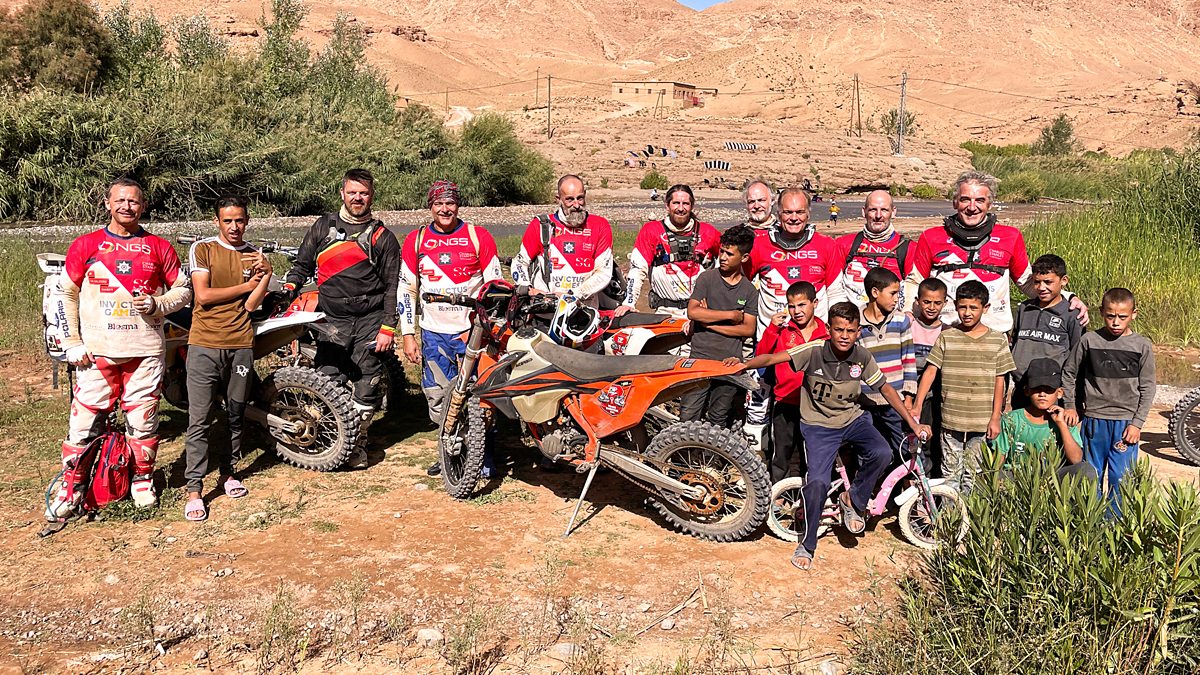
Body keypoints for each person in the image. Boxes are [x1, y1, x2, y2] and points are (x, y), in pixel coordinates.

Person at [731, 301, 931, 571]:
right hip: (818, 426)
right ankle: (807, 543)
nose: (844, 336)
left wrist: (912, 423)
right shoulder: (814, 351)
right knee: (817, 482)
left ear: (858, 331)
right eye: (839, 330)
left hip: (853, 419)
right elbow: (772, 358)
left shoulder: (862, 357)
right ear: (829, 329)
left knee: (882, 452)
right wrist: (744, 364)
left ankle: (853, 499)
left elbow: (886, 389)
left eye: (850, 330)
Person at [47, 178, 192, 518]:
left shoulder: (159, 246)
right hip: (98, 351)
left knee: (143, 420)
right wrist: (71, 342)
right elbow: (65, 293)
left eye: (134, 201)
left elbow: (183, 291)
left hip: (145, 350)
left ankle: (142, 478)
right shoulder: (86, 245)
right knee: (84, 422)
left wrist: (157, 304)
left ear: (144, 206)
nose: (127, 206)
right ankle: (72, 487)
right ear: (107, 203)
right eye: (121, 200)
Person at [283, 168, 401, 469]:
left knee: (367, 382)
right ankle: (330, 438)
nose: (357, 198)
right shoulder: (323, 226)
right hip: (332, 318)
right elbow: (302, 265)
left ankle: (357, 443)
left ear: (371, 196)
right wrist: (289, 287)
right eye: (352, 192)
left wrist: (389, 327)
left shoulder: (383, 237)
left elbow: (392, 287)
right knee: (328, 378)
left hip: (370, 318)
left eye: (363, 193)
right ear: (342, 194)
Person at [399, 181, 504, 477]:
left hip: (473, 333)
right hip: (433, 333)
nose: (445, 209)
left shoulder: (478, 236)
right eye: (438, 203)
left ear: (458, 205)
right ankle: (449, 451)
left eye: (450, 203)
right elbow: (406, 289)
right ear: (430, 206)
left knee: (482, 395)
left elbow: (495, 286)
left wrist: (488, 327)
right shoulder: (416, 240)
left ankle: (484, 454)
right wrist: (408, 335)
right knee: (438, 395)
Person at [905, 171, 1088, 333]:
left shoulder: (1010, 236)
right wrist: (907, 313)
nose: (972, 207)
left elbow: (1028, 283)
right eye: (965, 199)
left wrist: (1068, 298)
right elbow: (914, 282)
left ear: (990, 204)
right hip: (945, 332)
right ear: (954, 202)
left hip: (995, 334)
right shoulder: (931, 237)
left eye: (980, 200)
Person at [182, 196, 272, 522]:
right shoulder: (203, 249)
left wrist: (266, 274)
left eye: (240, 220)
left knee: (236, 412)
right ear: (217, 221)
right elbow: (203, 296)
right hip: (205, 344)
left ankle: (228, 471)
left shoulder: (253, 253)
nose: (234, 227)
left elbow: (251, 305)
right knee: (200, 417)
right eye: (228, 221)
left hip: (241, 344)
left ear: (247, 221)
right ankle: (194, 489)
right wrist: (246, 284)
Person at [742, 188, 841, 451]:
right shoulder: (759, 245)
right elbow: (740, 286)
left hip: (813, 347)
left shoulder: (826, 245)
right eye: (788, 212)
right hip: (770, 346)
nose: (794, 217)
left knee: (817, 410)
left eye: (799, 212)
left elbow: (836, 293)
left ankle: (815, 468)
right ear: (778, 212)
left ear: (809, 213)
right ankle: (755, 465)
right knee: (758, 410)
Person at [913, 280, 1015, 494]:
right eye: (962, 307)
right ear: (955, 306)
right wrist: (917, 405)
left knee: (973, 473)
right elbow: (930, 372)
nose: (967, 313)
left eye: (973, 307)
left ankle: (969, 513)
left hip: (981, 420)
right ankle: (951, 514)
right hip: (951, 419)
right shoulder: (947, 337)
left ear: (985, 308)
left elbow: (1000, 380)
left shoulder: (997, 340)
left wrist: (995, 417)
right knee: (950, 473)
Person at [1062, 288, 1156, 514]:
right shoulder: (1089, 340)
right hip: (1094, 421)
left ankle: (1114, 525)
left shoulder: (1141, 345)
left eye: (1122, 317)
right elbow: (1069, 373)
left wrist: (1137, 424)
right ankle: (1090, 522)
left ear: (1134, 314)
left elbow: (1148, 387)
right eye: (1110, 315)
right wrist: (1070, 406)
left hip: (1125, 424)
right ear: (1101, 312)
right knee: (1091, 475)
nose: (1115, 322)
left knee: (1121, 477)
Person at [680, 225, 758, 427]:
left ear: (744, 258)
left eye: (729, 254)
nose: (722, 257)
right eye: (722, 251)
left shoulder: (749, 290)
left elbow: (748, 329)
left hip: (729, 362)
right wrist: (731, 316)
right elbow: (693, 312)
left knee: (718, 417)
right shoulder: (707, 278)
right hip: (699, 359)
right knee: (688, 415)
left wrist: (708, 322)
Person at [755, 281, 828, 484]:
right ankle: (778, 494)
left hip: (815, 405)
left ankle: (807, 494)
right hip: (785, 401)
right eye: (792, 306)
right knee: (781, 452)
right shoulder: (782, 331)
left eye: (802, 305)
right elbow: (761, 356)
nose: (797, 311)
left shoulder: (826, 333)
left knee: (811, 454)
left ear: (815, 303)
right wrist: (772, 329)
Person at [620, 184, 720, 319]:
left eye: (686, 203)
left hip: (700, 311)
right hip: (665, 312)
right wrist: (629, 303)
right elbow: (638, 269)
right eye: (676, 203)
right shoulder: (651, 231)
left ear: (692, 206)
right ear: (667, 206)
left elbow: (729, 261)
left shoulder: (708, 232)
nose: (681, 208)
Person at [511, 175, 614, 307]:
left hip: (583, 309)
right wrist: (527, 288)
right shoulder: (541, 225)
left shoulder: (600, 225)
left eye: (580, 198)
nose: (576, 205)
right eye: (569, 199)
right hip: (545, 310)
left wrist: (572, 295)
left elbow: (604, 273)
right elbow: (519, 262)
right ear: (558, 199)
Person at [992, 358, 1098, 481]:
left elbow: (1076, 459)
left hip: (1052, 478)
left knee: (1085, 470)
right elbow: (998, 458)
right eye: (1037, 389)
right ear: (1027, 390)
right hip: (1018, 477)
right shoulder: (1011, 419)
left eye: (1048, 390)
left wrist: (1062, 425)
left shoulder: (1064, 420)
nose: (1042, 394)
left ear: (1059, 393)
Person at [857, 268, 917, 454]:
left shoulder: (901, 320)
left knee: (906, 450)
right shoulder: (855, 323)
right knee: (869, 453)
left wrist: (908, 398)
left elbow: (909, 360)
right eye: (892, 294)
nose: (896, 299)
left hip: (896, 402)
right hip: (865, 402)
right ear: (875, 292)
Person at [1010, 254, 1082, 409]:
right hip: (1022, 389)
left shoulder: (1072, 315)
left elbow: (1077, 357)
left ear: (1064, 281)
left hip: (1050, 392)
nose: (1041, 287)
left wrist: (1072, 401)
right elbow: (1014, 342)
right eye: (1037, 282)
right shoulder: (1024, 309)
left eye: (1048, 282)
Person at [833, 190, 913, 311]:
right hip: (852, 318)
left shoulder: (908, 248)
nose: (878, 216)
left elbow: (912, 287)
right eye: (873, 210)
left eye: (884, 210)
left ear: (893, 212)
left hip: (893, 317)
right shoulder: (844, 244)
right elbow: (834, 288)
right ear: (864, 212)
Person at [907, 277, 949, 471]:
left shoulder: (946, 331)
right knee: (908, 443)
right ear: (917, 301)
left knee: (930, 443)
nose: (932, 307)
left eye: (937, 303)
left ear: (945, 303)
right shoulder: (908, 325)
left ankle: (929, 483)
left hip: (932, 399)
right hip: (907, 396)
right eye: (926, 302)